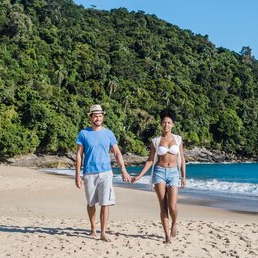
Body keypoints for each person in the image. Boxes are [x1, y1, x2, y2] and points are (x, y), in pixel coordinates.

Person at [75, 104, 131, 242]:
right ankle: (93, 227)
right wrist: (77, 175)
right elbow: (79, 155)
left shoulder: (109, 133)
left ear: (102, 117)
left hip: (106, 172)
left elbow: (117, 153)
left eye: (100, 116)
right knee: (91, 203)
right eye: (95, 116)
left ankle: (103, 232)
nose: (98, 118)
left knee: (105, 203)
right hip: (89, 173)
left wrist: (123, 170)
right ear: (91, 117)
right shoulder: (83, 133)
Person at [132, 108, 186, 244]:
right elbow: (150, 160)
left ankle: (174, 223)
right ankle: (167, 236)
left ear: (173, 124)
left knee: (172, 206)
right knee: (163, 206)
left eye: (169, 122)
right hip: (159, 173)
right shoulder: (155, 141)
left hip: (174, 173)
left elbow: (182, 158)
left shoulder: (178, 139)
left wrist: (183, 177)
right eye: (164, 122)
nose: (166, 125)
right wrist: (139, 175)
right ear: (160, 124)